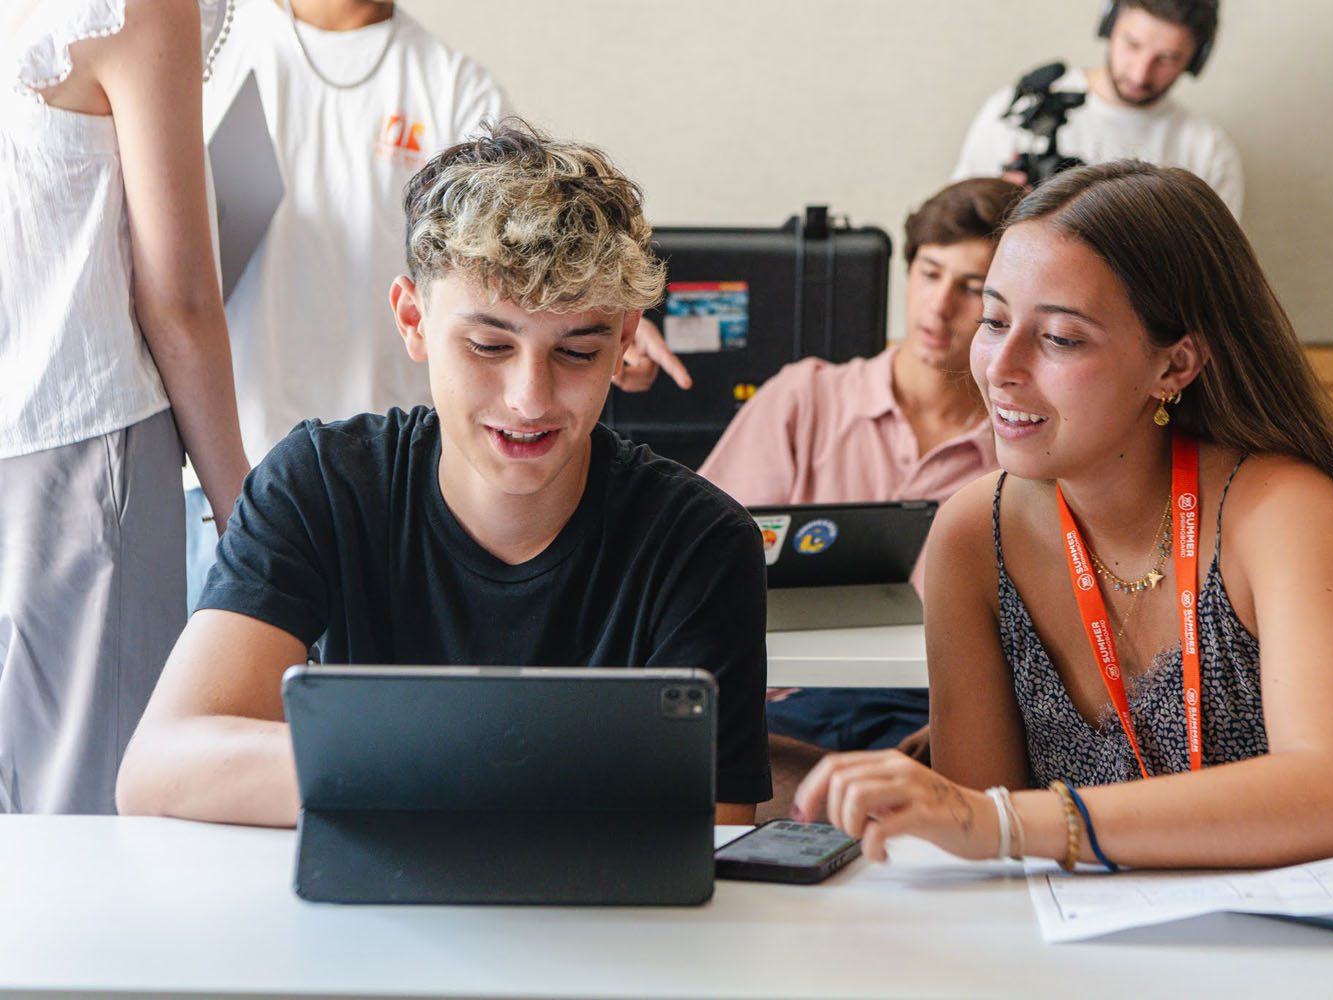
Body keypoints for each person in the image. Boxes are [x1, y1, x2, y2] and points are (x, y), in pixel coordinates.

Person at [115, 122, 771, 826]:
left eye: (578, 352)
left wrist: (409, 772)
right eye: (489, 345)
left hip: (594, 930)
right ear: (413, 319)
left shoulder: (701, 542)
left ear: (625, 341)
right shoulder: (322, 485)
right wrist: (485, 769)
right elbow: (161, 769)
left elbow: (711, 831)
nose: (530, 399)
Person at [794, 160, 1333, 870]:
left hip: (1331, 949)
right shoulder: (975, 534)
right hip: (1099, 958)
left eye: (1059, 338)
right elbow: (979, 839)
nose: (1000, 365)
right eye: (994, 319)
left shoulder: (1279, 508)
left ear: (1174, 365)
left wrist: (1004, 821)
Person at [185, 0, 686, 608]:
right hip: (232, 464)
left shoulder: (451, 85)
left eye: (579, 351)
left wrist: (599, 328)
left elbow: (530, 271)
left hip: (385, 487)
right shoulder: (214, 45)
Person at [698, 177, 1022, 806]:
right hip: (781, 712)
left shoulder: (1020, 446)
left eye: (973, 288)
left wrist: (944, 737)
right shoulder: (805, 399)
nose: (939, 306)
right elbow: (695, 560)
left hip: (933, 718)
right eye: (929, 273)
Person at [0, 0, 250, 813]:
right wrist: (240, 506)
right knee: (91, 817)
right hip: (82, 442)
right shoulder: (140, 8)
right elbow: (176, 299)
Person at [952, 0, 1244, 218]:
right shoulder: (1020, 108)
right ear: (1109, 24)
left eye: (1167, 58)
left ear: (1196, 61)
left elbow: (1212, 282)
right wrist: (992, 205)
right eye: (1133, 44)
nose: (1141, 73)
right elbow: (953, 227)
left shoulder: (1208, 151)